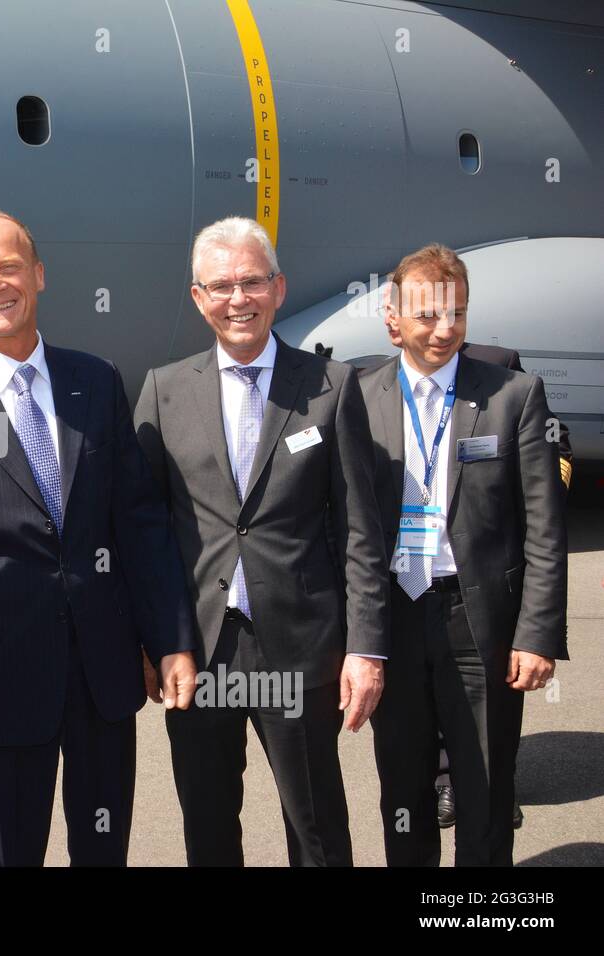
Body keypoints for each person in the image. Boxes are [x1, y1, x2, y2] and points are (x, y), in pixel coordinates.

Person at [0, 210, 196, 867]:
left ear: (39, 275)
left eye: (8, 267)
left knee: (102, 853)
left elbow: (139, 522)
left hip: (104, 677)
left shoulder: (98, 382)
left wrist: (167, 640)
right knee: (4, 856)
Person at [133, 216, 389, 867]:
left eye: (251, 282)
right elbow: (144, 533)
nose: (237, 299)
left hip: (302, 649)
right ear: (197, 297)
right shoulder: (163, 391)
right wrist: (153, 641)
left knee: (317, 825)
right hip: (200, 651)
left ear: (278, 287)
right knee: (209, 825)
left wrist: (366, 646)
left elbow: (361, 528)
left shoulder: (331, 389)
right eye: (220, 286)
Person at [360, 243, 566, 866]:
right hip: (393, 618)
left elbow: (545, 530)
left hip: (480, 624)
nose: (444, 330)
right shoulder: (356, 397)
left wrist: (536, 635)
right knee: (403, 789)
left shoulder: (513, 396)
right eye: (427, 316)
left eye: (457, 314)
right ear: (392, 319)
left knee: (483, 788)